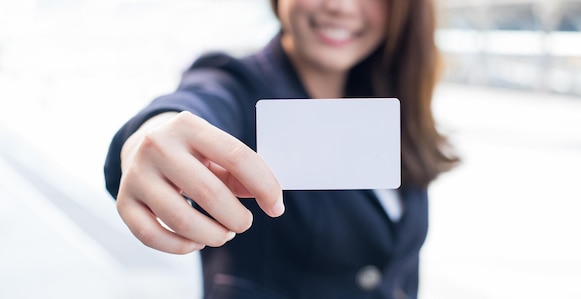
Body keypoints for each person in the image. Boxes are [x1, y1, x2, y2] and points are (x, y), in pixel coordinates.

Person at [104, 0, 458, 298]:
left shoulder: (385, 100)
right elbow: (198, 103)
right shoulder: (236, 83)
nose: (340, 6)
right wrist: (148, 135)